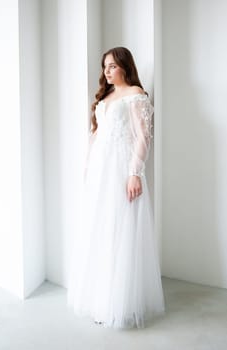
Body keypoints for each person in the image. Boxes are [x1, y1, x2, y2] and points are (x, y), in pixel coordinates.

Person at [67, 47, 165, 329]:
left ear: (124, 66)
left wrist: (135, 173)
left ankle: (120, 303)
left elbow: (143, 137)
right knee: (99, 229)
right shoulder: (106, 97)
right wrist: (88, 168)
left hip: (121, 169)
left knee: (119, 230)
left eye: (111, 66)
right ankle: (102, 298)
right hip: (100, 170)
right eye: (104, 67)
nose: (106, 72)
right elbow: (95, 135)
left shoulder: (136, 95)